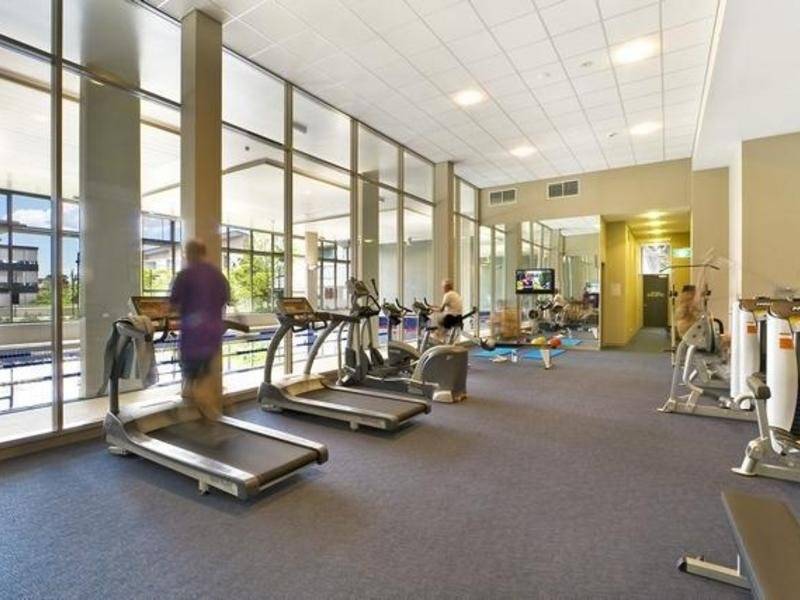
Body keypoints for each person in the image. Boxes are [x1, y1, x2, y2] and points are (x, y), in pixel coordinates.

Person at [170, 239, 230, 420]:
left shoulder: (184, 275)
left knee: (191, 372)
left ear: (189, 253)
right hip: (212, 333)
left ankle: (202, 406)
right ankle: (205, 402)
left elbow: (173, 304)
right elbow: (224, 300)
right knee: (204, 371)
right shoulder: (217, 275)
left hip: (193, 335)